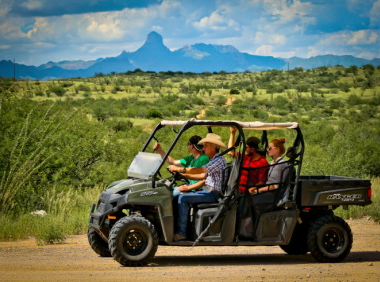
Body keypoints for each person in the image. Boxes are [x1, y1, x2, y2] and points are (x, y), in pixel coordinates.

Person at [167, 133, 227, 241]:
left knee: (183, 198)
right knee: (178, 195)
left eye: (206, 145)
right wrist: (182, 175)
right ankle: (176, 228)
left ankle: (181, 233)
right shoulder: (213, 159)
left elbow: (200, 170)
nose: (203, 148)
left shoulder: (219, 160)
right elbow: (201, 176)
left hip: (213, 194)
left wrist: (180, 169)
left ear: (214, 147)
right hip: (207, 190)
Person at [228, 127, 268, 194]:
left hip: (249, 192)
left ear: (252, 149)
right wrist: (233, 133)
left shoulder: (262, 162)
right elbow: (230, 152)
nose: (245, 149)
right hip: (237, 190)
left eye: (246, 147)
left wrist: (253, 188)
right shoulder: (246, 158)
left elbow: (261, 181)